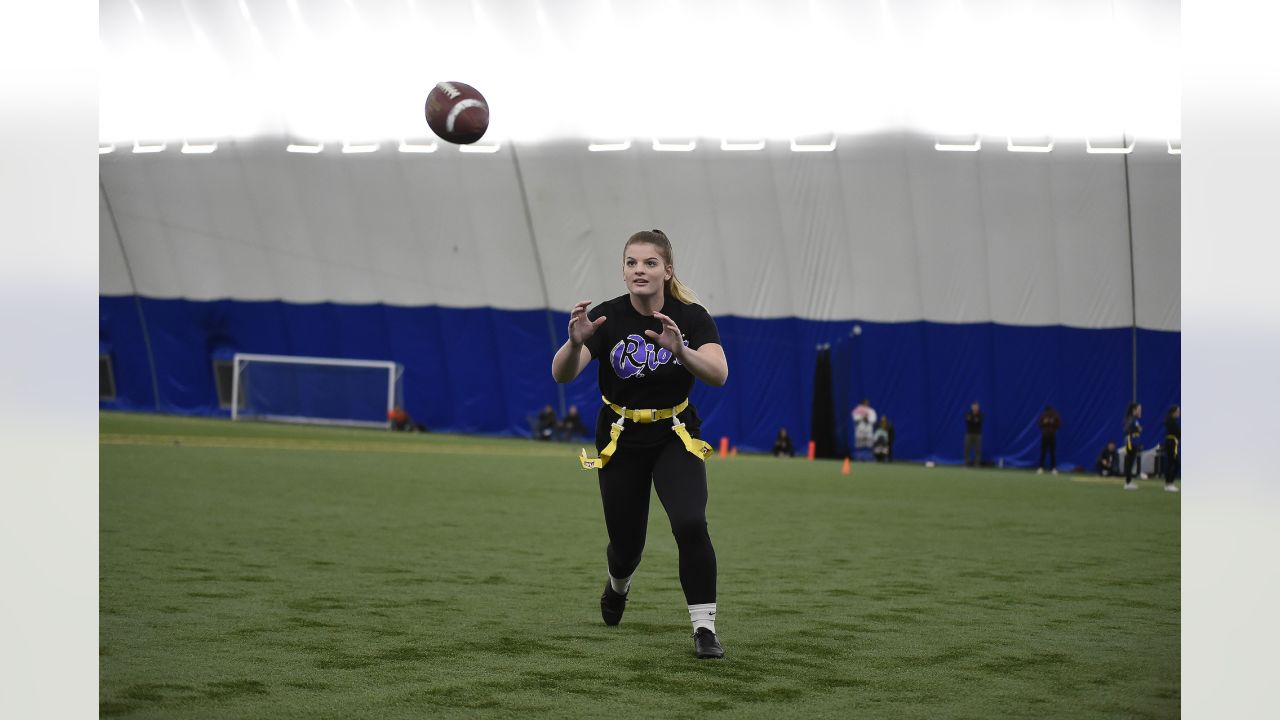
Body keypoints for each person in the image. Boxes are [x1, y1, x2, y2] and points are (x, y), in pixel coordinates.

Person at [550, 229, 729, 659]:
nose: (639, 270)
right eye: (632, 263)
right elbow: (561, 374)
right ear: (624, 270)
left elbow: (719, 374)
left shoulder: (691, 316)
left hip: (674, 434)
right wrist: (574, 343)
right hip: (621, 437)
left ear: (667, 270)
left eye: (650, 263)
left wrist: (681, 350)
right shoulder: (607, 318)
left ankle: (704, 628)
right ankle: (618, 585)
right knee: (627, 545)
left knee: (690, 522)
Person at [1122, 402, 1143, 490]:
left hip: (1133, 442)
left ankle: (1128, 482)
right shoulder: (1130, 418)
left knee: (1130, 462)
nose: (1140, 411)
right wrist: (1137, 429)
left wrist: (1138, 430)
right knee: (1129, 462)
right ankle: (1127, 483)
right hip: (1130, 443)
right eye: (1139, 409)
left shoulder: (1134, 419)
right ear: (1134, 410)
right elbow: (1127, 429)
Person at [1036, 405, 1061, 475]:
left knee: (1052, 453)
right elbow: (1039, 424)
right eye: (1047, 412)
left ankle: (1053, 468)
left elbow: (1058, 424)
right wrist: (1044, 422)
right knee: (1043, 452)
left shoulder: (1055, 416)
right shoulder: (1043, 416)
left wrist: (1052, 423)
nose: (1049, 413)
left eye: (1050, 411)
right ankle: (1041, 467)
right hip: (1045, 436)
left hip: (1052, 436)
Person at [1161, 405, 1180, 492]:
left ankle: (1168, 483)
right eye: (1177, 412)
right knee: (1176, 463)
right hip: (1171, 443)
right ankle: (1170, 483)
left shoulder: (1170, 420)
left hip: (1170, 442)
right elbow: (1177, 432)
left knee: (1170, 463)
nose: (1179, 413)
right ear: (1174, 412)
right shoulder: (1171, 421)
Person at [963, 402, 983, 467]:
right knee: (967, 449)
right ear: (972, 407)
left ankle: (977, 464)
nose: (975, 408)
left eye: (976, 407)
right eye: (974, 407)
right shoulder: (968, 414)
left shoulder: (980, 415)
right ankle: (966, 463)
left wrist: (972, 419)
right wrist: (973, 419)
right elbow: (968, 420)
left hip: (977, 434)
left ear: (978, 407)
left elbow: (978, 421)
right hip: (969, 434)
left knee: (977, 449)